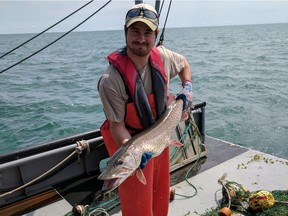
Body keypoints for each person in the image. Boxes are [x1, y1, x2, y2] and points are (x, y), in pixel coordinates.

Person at [97, 3, 193, 216]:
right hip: (127, 138)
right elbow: (117, 125)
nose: (141, 38)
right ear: (125, 32)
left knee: (160, 196)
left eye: (147, 32)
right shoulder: (110, 80)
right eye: (135, 31)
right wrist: (132, 152)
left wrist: (187, 89)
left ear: (155, 34)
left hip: (160, 136)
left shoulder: (163, 56)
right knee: (137, 207)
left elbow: (184, 63)